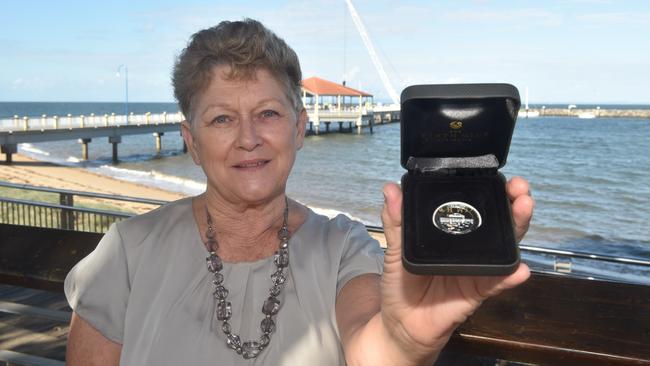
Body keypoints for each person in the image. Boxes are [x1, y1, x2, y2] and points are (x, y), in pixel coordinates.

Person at [64, 19, 534, 365]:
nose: (248, 137)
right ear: (191, 142)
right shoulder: (128, 253)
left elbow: (372, 348)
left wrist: (407, 339)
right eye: (222, 118)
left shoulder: (344, 248)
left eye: (268, 113)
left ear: (300, 128)